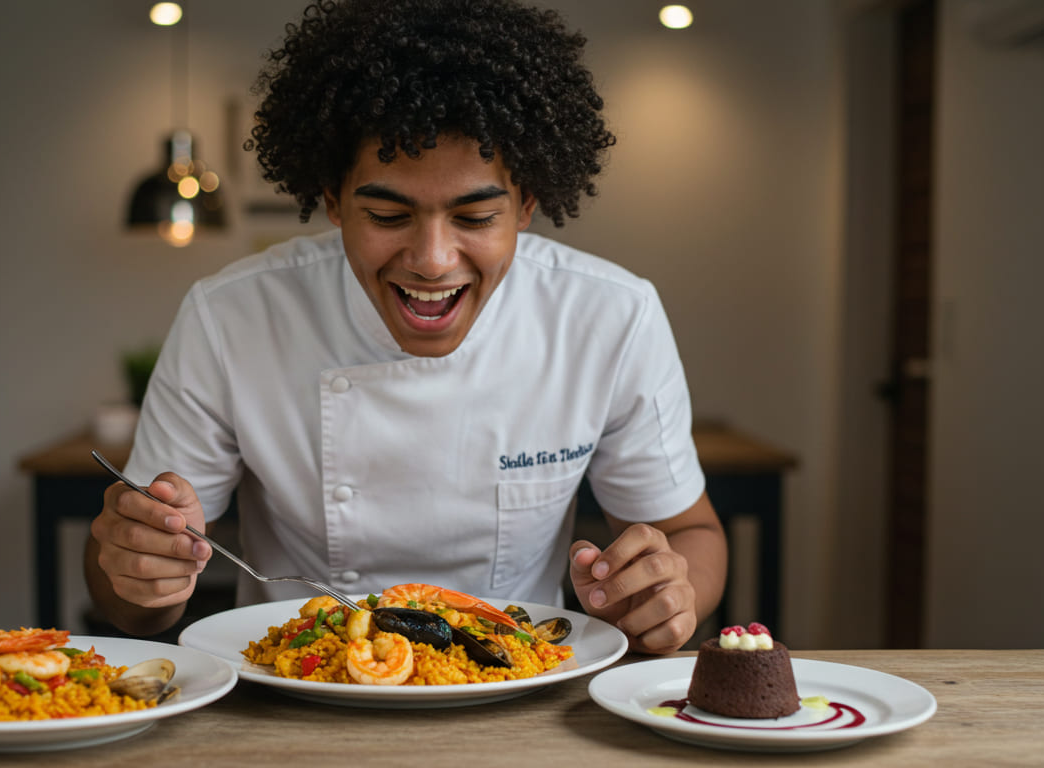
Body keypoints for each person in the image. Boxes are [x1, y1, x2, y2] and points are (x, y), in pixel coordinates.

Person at [85, 0, 726, 655]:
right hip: (298, 697)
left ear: (527, 203)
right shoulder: (232, 317)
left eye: (474, 218)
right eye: (389, 216)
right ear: (332, 200)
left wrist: (668, 596)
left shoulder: (609, 316)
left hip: (520, 695)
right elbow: (131, 605)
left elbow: (689, 533)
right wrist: (138, 570)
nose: (431, 260)